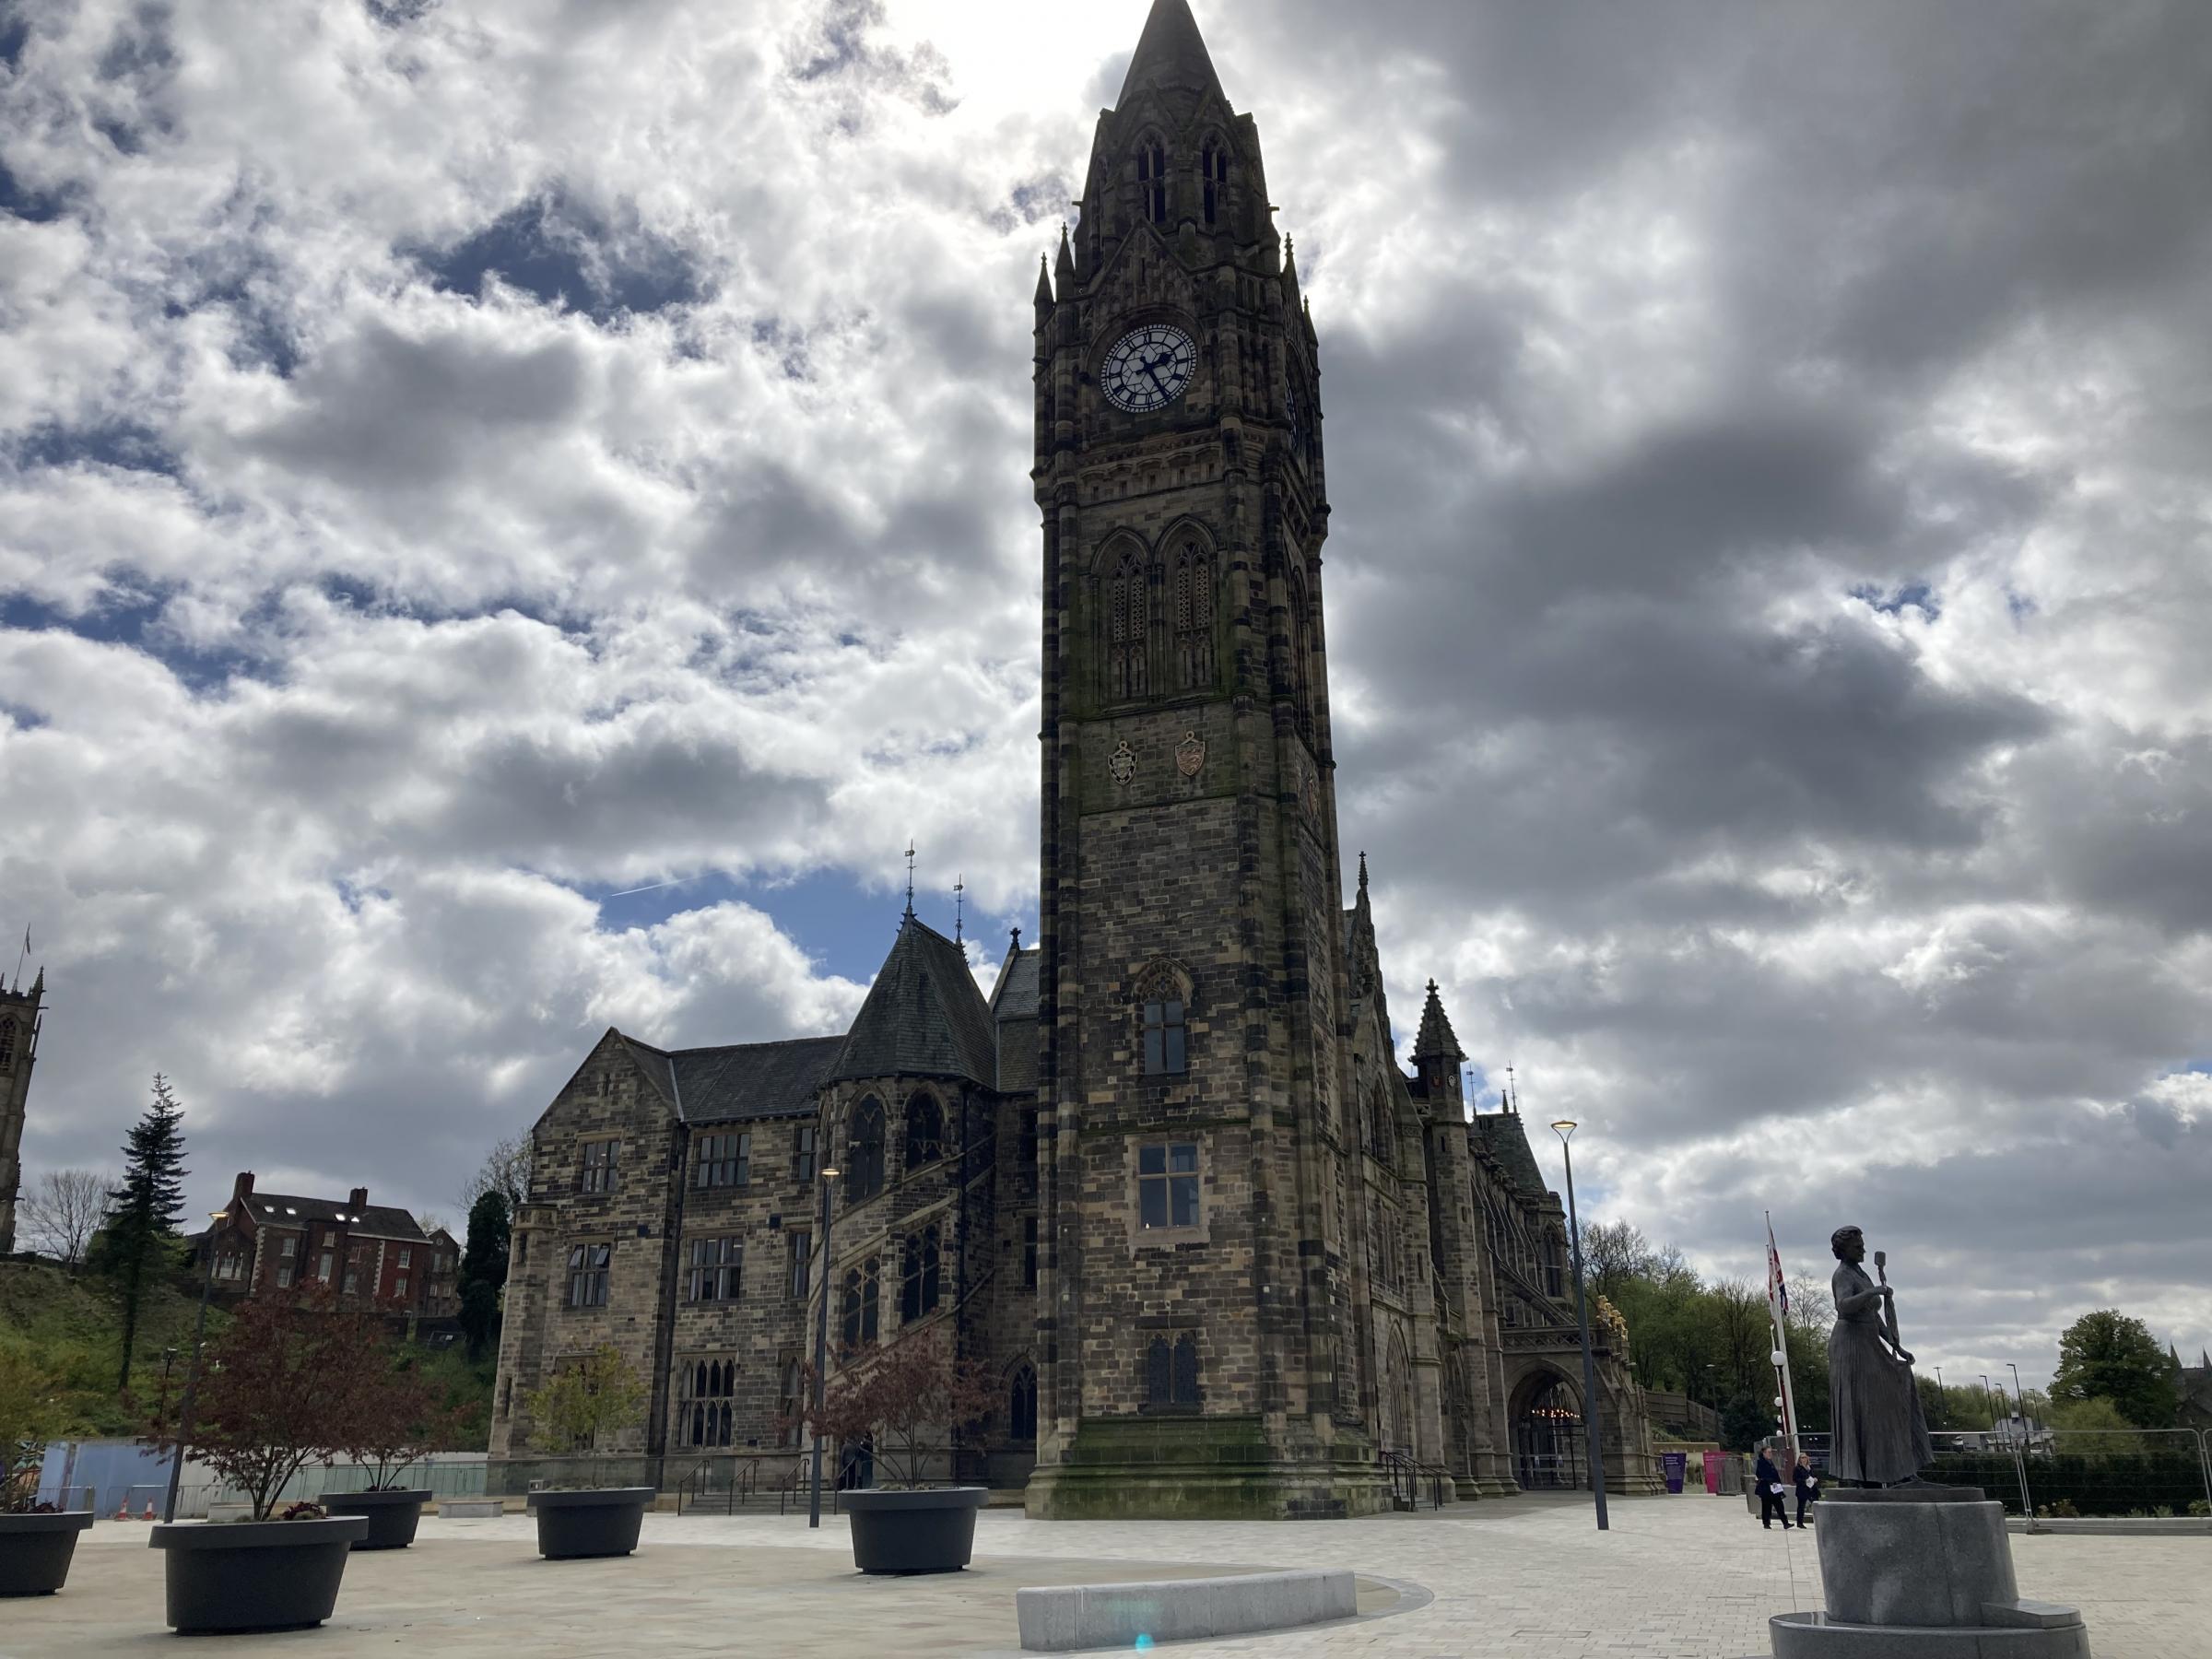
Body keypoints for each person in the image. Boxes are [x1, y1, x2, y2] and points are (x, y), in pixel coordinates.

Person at [1827, 1225, 1935, 1485]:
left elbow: (1874, 1317)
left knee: (1887, 1403)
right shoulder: (1842, 1274)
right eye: (1857, 1245)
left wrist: (1896, 1346)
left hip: (1869, 1341)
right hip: (1851, 1345)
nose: (1863, 1248)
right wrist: (1873, 1292)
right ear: (1844, 1250)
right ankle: (1859, 1475)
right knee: (1863, 1407)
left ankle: (1897, 1469)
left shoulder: (1861, 1273)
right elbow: (1843, 1306)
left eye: (1862, 1244)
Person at [1754, 1444, 1793, 1529]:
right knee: (1766, 1506)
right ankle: (1766, 1523)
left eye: (1771, 1452)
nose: (1770, 1454)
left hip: (1775, 1487)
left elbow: (1775, 1474)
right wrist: (1770, 1481)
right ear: (1764, 1453)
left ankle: (1785, 1523)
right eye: (1768, 1452)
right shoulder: (1761, 1462)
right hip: (1766, 1488)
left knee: (1779, 1505)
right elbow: (1761, 1474)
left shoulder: (1770, 1462)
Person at [1793, 1451, 1818, 1526]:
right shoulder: (1797, 1468)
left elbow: (1815, 1475)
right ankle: (1800, 1523)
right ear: (1800, 1459)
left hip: (1812, 1489)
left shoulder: (1810, 1467)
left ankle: (1818, 1521)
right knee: (1801, 1506)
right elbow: (1795, 1479)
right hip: (1802, 1490)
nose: (1804, 1459)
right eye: (1802, 1458)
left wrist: (1815, 1479)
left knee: (1816, 1504)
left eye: (1805, 1457)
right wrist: (1805, 1481)